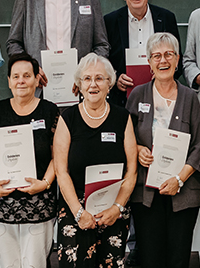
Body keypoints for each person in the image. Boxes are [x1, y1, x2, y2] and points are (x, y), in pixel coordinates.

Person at [126, 32, 200, 268]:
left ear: (178, 59)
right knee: (150, 257)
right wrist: (138, 148)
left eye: (169, 54)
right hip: (146, 193)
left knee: (178, 258)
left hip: (182, 193)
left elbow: (199, 145)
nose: (163, 61)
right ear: (149, 62)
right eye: (157, 56)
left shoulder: (190, 97)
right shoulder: (137, 95)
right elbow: (126, 137)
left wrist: (179, 180)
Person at [53, 53, 138, 268]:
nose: (93, 84)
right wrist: (79, 212)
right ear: (79, 85)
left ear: (109, 84)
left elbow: (132, 171)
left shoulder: (122, 117)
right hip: (76, 211)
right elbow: (61, 171)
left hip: (113, 211)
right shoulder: (67, 118)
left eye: (100, 78)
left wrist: (117, 207)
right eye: (87, 78)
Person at [0, 53, 59, 268]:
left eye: (27, 75)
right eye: (16, 76)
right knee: (8, 264)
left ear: (37, 79)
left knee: (35, 264)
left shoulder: (50, 111)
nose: (21, 80)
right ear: (9, 81)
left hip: (39, 203)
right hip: (2, 202)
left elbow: (58, 156)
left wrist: (46, 183)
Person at [105, 0, 180, 107]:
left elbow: (178, 60)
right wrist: (115, 78)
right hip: (122, 102)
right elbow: (104, 59)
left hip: (162, 99)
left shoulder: (166, 18)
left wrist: (164, 75)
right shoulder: (109, 22)